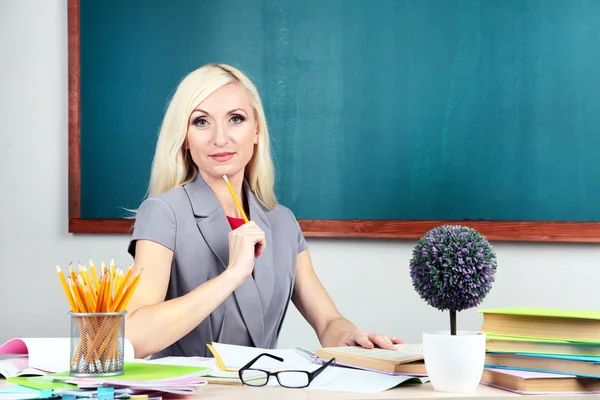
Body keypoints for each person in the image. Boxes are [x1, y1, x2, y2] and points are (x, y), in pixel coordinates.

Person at [125, 63, 403, 359]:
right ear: (184, 138)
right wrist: (232, 275)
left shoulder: (282, 221)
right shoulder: (163, 212)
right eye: (201, 122)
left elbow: (328, 322)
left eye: (236, 118)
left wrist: (350, 334)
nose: (220, 138)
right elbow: (133, 338)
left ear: (256, 130)